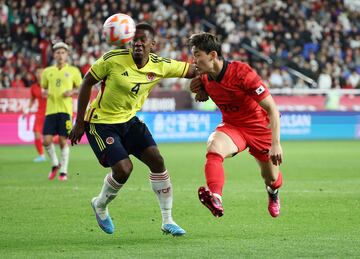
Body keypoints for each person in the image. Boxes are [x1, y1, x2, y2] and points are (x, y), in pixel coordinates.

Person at [69, 23, 197, 236]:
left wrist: (211, 74)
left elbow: (193, 70)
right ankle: (100, 204)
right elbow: (86, 83)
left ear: (152, 44)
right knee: (123, 169)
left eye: (142, 40)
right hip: (101, 123)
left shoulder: (160, 65)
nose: (137, 43)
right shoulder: (112, 59)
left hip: (129, 121)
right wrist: (79, 121)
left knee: (157, 160)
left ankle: (167, 220)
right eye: (134, 40)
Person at [188, 32, 283, 218]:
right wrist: (199, 92)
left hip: (259, 129)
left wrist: (276, 143)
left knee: (271, 178)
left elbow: (272, 108)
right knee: (214, 147)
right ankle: (216, 198)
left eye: (197, 55)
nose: (194, 60)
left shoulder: (242, 73)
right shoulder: (204, 78)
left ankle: (273, 193)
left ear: (213, 55)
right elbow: (200, 89)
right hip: (233, 127)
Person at [41, 42, 82, 181]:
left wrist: (72, 91)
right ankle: (55, 164)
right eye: (58, 52)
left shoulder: (73, 71)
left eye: (63, 52)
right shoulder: (47, 71)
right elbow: (43, 89)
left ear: (67, 54)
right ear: (54, 55)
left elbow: (81, 87)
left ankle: (63, 171)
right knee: (46, 141)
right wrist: (45, 92)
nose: (60, 55)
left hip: (65, 111)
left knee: (63, 141)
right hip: (50, 111)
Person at [23, 68, 47, 162]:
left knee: (49, 136)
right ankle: (41, 155)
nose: (39, 74)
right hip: (40, 113)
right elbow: (32, 99)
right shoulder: (34, 87)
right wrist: (27, 109)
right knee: (36, 133)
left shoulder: (50, 85)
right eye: (37, 72)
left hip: (51, 112)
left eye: (41, 72)